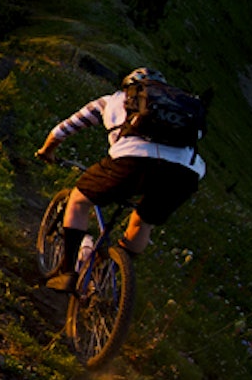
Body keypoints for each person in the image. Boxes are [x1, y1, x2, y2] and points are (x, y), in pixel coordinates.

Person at [35, 67, 205, 291]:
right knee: (142, 221)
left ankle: (67, 273)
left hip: (131, 161)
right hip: (186, 173)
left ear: (129, 87)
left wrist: (47, 151)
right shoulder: (183, 109)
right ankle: (107, 275)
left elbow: (63, 129)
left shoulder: (112, 101)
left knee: (77, 200)